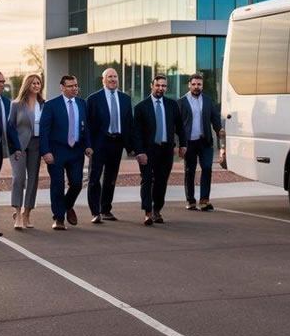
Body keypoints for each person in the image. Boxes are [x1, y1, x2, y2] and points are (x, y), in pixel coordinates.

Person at [40, 75, 92, 230]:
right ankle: (58, 217)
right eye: (70, 86)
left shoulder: (82, 104)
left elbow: (86, 127)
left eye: (76, 85)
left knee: (77, 183)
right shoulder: (51, 105)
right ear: (62, 87)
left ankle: (67, 205)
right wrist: (45, 152)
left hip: (76, 150)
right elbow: (44, 130)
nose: (74, 88)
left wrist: (88, 145)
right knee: (57, 184)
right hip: (56, 151)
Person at [133, 75, 186, 226]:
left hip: (166, 150)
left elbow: (180, 127)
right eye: (158, 85)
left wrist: (183, 145)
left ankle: (157, 210)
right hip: (148, 151)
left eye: (163, 86)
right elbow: (135, 132)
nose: (161, 88)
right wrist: (139, 152)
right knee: (147, 179)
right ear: (152, 86)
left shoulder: (172, 105)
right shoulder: (141, 107)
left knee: (162, 181)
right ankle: (148, 212)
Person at [85, 68, 133, 224]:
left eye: (115, 76)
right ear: (103, 80)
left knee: (111, 177)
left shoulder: (125, 98)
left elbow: (128, 123)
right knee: (94, 177)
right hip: (99, 142)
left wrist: (130, 146)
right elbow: (88, 125)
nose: (113, 79)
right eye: (109, 77)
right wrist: (88, 145)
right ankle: (95, 211)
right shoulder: (93, 99)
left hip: (116, 142)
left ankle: (105, 209)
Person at [179, 73, 223, 212]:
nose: (196, 87)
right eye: (194, 84)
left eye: (199, 84)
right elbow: (177, 125)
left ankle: (204, 200)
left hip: (205, 142)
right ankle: (190, 201)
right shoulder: (181, 102)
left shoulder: (208, 100)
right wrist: (179, 144)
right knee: (190, 171)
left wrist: (219, 129)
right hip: (189, 143)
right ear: (189, 85)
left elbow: (215, 118)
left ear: (202, 85)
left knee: (207, 169)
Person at [0, 70, 22, 241]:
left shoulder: (6, 103)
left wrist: (16, 147)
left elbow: (10, 127)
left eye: (3, 81)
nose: (2, 84)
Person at [8, 74, 45, 230]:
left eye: (38, 83)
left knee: (33, 179)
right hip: (19, 146)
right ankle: (17, 212)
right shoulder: (16, 104)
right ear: (27, 85)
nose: (36, 85)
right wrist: (15, 147)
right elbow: (10, 127)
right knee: (19, 177)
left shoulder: (44, 104)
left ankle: (26, 214)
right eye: (33, 83)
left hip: (37, 145)